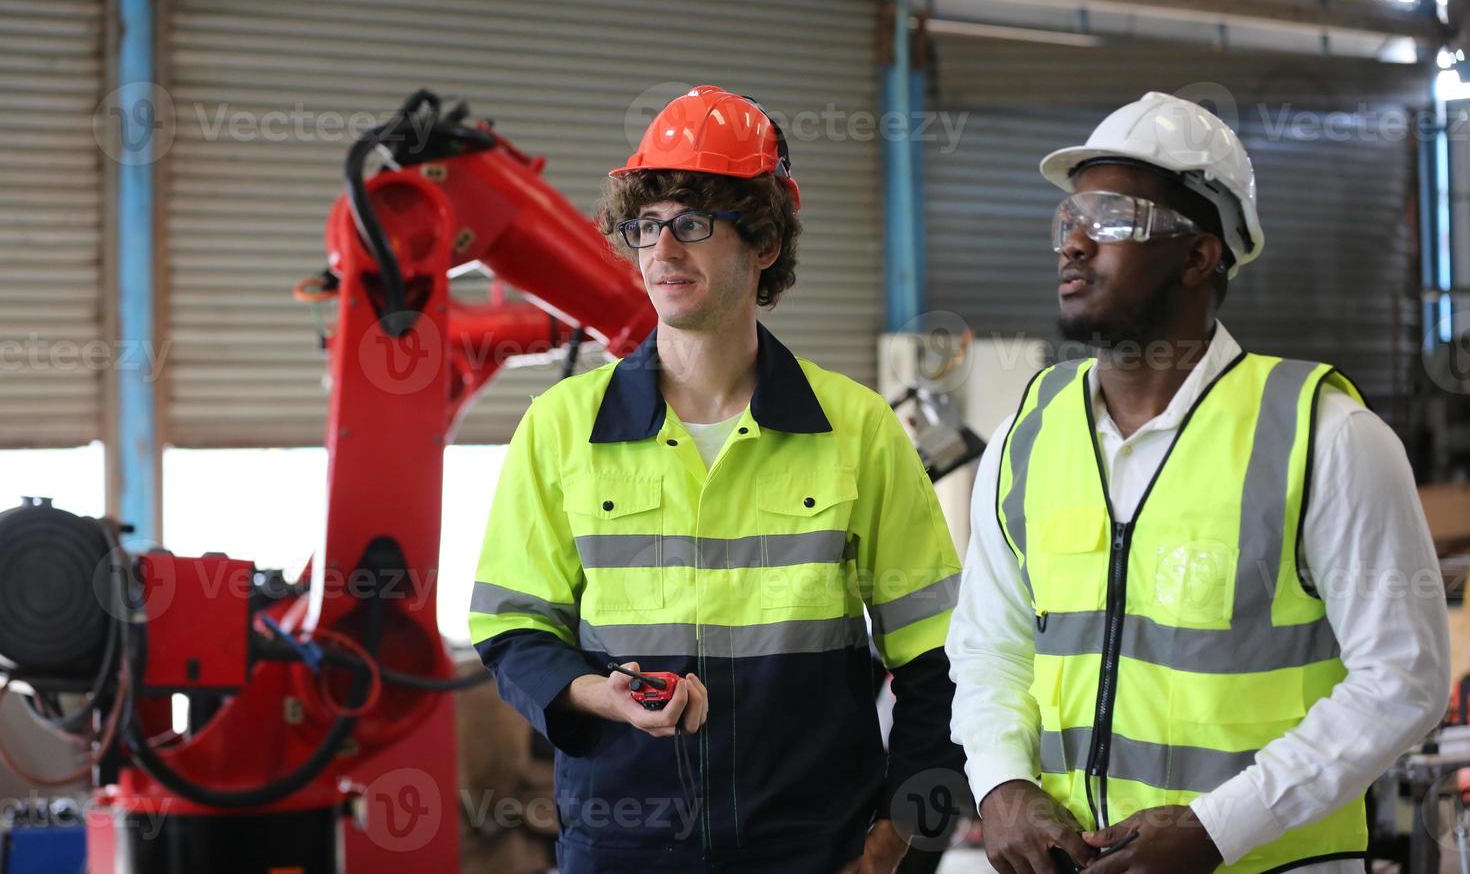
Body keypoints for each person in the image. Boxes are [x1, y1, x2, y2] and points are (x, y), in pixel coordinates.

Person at [946, 92, 1450, 873]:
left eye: (1113, 219)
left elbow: (1404, 679)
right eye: (1070, 219)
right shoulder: (1029, 435)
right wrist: (1003, 783)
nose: (1074, 243)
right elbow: (990, 645)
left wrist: (1222, 827)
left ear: (1199, 254)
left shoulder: (1326, 439)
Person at [470, 86, 965, 874]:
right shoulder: (561, 426)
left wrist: (899, 840)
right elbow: (511, 630)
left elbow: (939, 658)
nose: (663, 251)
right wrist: (603, 695)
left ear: (763, 243)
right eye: (646, 225)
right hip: (620, 848)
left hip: (815, 850)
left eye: (694, 224)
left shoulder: (857, 428)